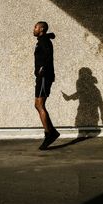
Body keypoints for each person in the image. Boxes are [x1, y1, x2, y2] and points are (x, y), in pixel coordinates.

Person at [33, 21, 60, 150]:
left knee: (40, 104)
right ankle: (52, 131)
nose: (34, 29)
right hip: (41, 77)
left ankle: (49, 134)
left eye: (36, 27)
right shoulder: (42, 40)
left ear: (42, 28)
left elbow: (48, 57)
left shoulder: (45, 41)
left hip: (44, 77)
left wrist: (42, 69)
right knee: (37, 105)